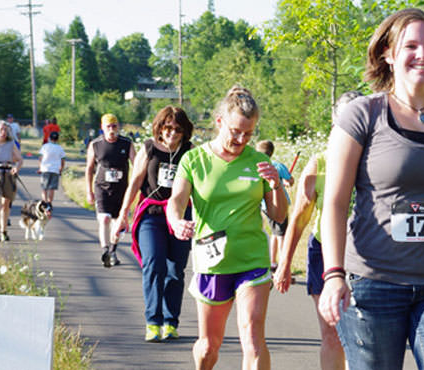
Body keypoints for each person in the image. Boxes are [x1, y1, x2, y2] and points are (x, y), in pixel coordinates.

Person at [317, 8, 424, 370]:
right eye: (410, 45)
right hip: (372, 283)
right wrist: (333, 275)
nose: (422, 55)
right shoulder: (362, 115)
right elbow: (334, 204)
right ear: (388, 53)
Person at [167, 85, 287, 370]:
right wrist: (176, 222)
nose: (242, 139)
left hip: (252, 259)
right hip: (213, 261)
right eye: (236, 131)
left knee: (253, 339)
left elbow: (278, 215)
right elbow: (176, 200)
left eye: (248, 133)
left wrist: (276, 185)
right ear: (220, 122)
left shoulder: (259, 162)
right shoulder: (194, 160)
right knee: (209, 347)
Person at [273, 90, 362, 370]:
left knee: (365, 335)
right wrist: (285, 263)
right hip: (324, 251)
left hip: (368, 256)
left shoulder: (379, 160)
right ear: (335, 123)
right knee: (333, 333)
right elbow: (299, 218)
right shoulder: (319, 164)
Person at [113, 106, 194, 343]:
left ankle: (170, 321)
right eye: (168, 128)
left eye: (177, 129)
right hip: (152, 214)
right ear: (160, 127)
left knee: (175, 271)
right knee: (154, 263)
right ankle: (153, 321)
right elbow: (136, 182)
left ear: (184, 131)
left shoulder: (189, 151)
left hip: (179, 215)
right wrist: (123, 214)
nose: (172, 133)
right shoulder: (148, 148)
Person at [86, 113, 136, 268]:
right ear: (102, 128)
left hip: (121, 189)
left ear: (118, 127)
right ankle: (106, 250)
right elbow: (89, 169)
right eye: (108, 127)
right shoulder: (95, 144)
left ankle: (113, 250)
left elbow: (137, 165)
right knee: (104, 219)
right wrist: (89, 191)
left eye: (114, 126)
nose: (111, 130)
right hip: (101, 187)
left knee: (117, 222)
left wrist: (136, 186)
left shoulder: (126, 144)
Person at [254, 139, 294, 271]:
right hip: (278, 205)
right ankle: (283, 264)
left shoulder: (257, 167)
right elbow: (290, 180)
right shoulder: (277, 166)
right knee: (281, 235)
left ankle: (272, 262)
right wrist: (288, 182)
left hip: (265, 206)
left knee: (274, 234)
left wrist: (286, 181)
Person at [37, 131, 66, 203]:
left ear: (49, 138)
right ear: (57, 139)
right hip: (55, 170)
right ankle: (49, 203)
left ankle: (44, 202)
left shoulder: (45, 146)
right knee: (52, 188)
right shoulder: (60, 148)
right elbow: (63, 160)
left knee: (44, 187)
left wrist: (40, 167)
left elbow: (40, 158)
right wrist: (61, 169)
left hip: (45, 169)